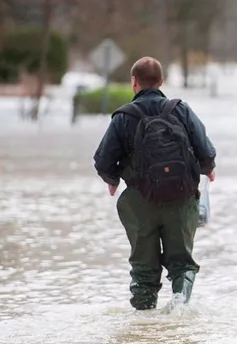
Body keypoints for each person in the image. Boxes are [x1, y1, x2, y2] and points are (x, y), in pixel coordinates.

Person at [93, 56, 216, 310]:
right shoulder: (180, 109)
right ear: (162, 81)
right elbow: (205, 149)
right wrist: (208, 169)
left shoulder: (123, 117)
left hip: (140, 202)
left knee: (144, 270)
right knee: (182, 264)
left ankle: (145, 327)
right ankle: (179, 311)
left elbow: (103, 160)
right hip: (181, 199)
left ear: (133, 82)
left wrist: (112, 180)